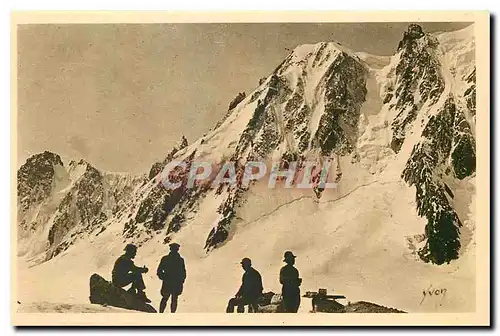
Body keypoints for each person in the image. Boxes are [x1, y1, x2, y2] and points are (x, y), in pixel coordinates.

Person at [157, 243, 186, 313]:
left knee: (167, 299)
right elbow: (183, 272)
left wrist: (164, 277)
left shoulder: (166, 259)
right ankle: (169, 315)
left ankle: (162, 314)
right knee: (172, 299)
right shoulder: (180, 260)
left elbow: (159, 271)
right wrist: (181, 281)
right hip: (174, 282)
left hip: (170, 282)